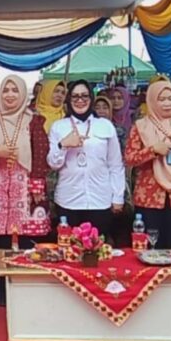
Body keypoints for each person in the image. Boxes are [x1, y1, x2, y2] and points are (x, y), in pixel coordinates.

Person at [0, 75, 50, 306]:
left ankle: (27, 285)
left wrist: (37, 185)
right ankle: (1, 290)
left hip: (26, 185)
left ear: (22, 94)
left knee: (28, 237)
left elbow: (41, 153)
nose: (9, 94)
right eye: (6, 89)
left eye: (14, 90)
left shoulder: (35, 121)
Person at [125, 81, 171, 253]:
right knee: (151, 248)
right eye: (161, 99)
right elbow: (130, 158)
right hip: (151, 199)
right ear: (151, 100)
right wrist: (152, 151)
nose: (167, 103)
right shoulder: (141, 126)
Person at [47, 80, 125, 240]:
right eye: (75, 96)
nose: (80, 100)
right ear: (68, 100)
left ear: (91, 98)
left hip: (100, 199)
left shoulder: (105, 125)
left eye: (84, 96)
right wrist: (63, 145)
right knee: (68, 250)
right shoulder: (58, 126)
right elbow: (53, 164)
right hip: (68, 200)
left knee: (96, 252)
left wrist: (118, 196)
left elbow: (115, 164)